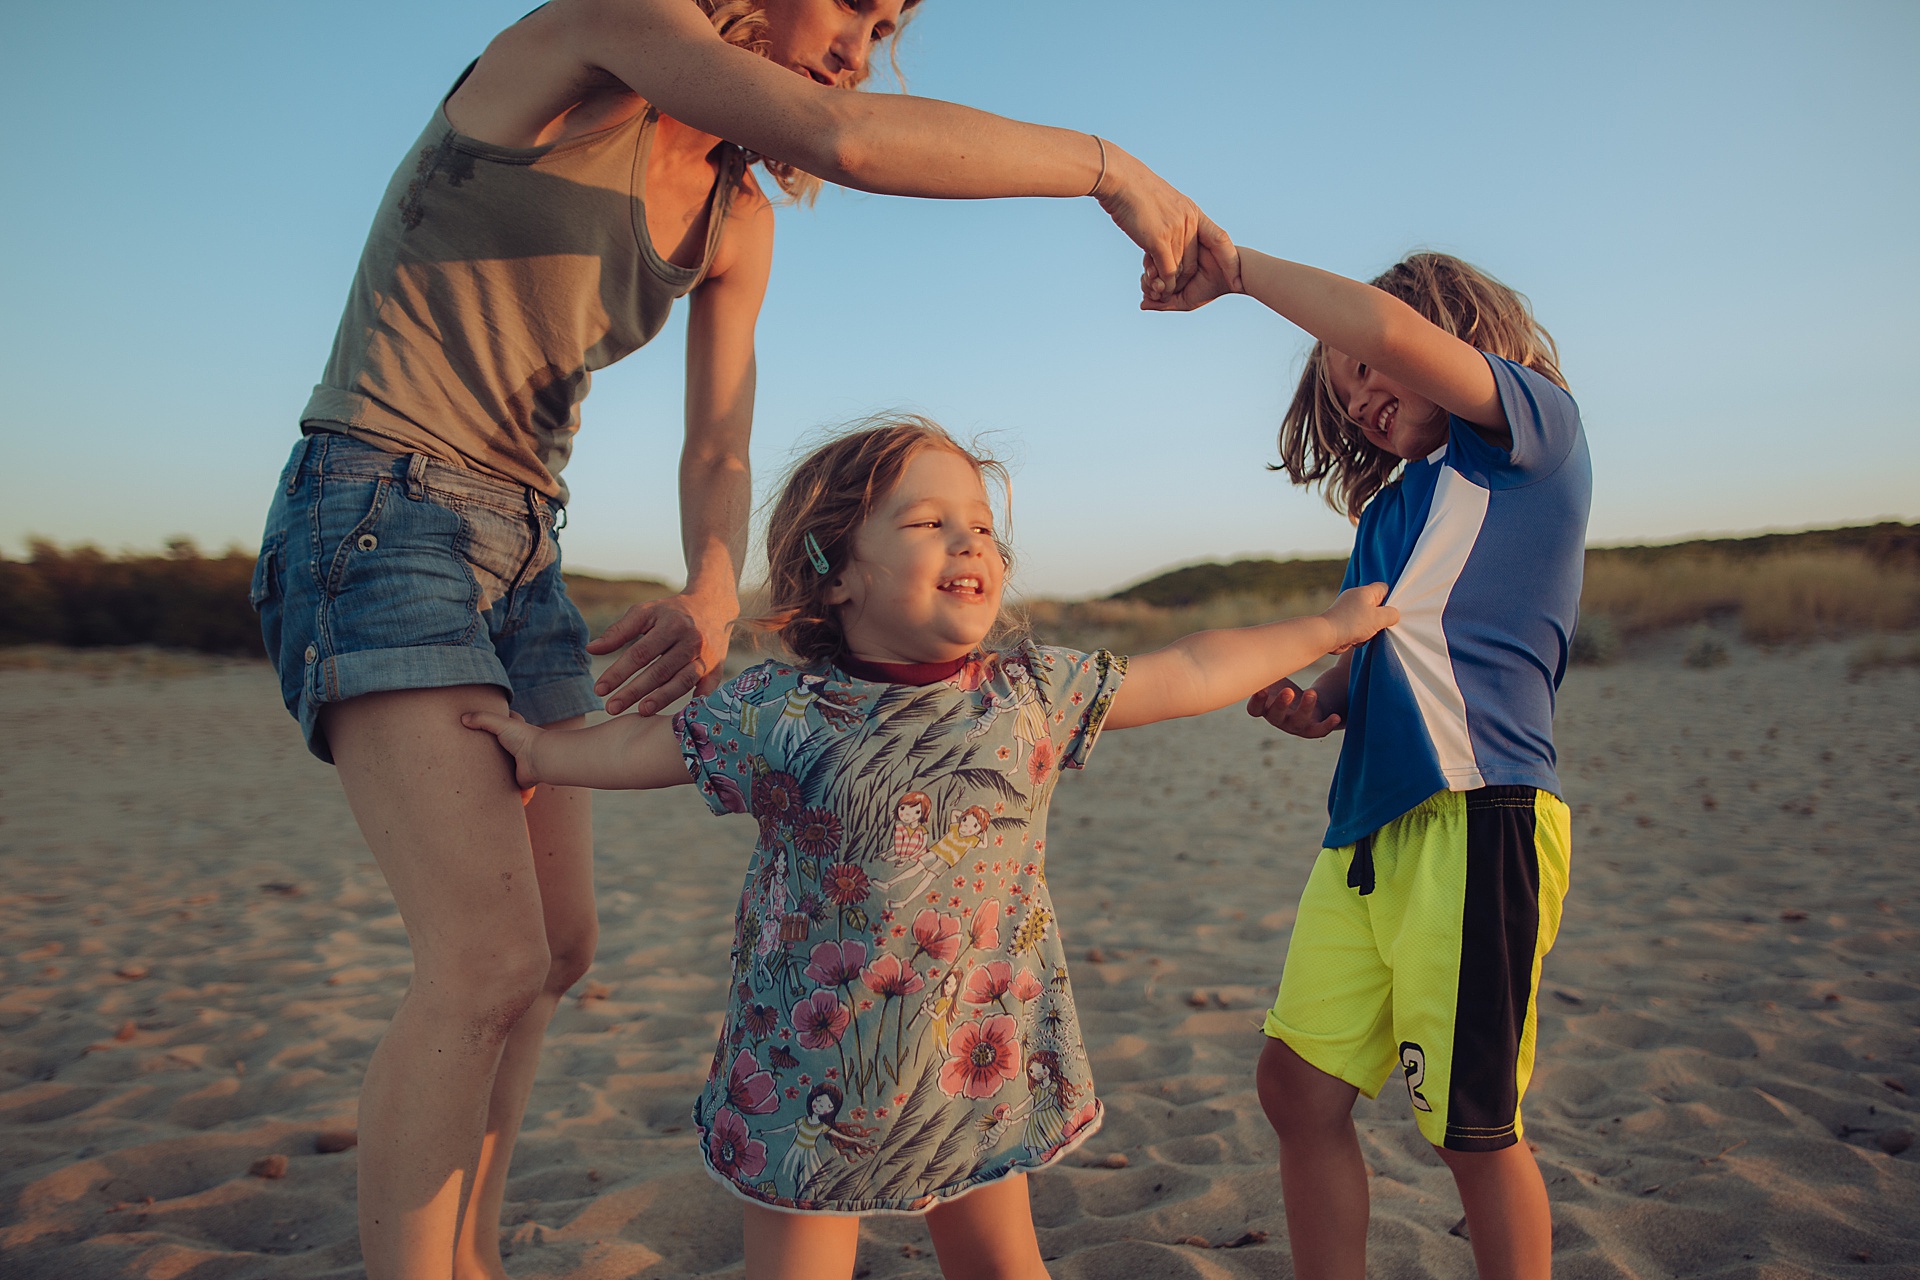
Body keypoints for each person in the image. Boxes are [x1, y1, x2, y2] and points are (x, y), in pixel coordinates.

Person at [249, 3, 1229, 1275]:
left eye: (888, 29)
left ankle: (472, 1253)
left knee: (557, 949)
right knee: (482, 960)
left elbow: (716, 445)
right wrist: (1113, 168)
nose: (862, 49)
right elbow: (846, 134)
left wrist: (713, 587)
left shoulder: (736, 218)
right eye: (854, 9)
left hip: (522, 539)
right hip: (378, 507)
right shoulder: (595, 39)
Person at [463, 415, 1397, 1279]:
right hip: (808, 1074)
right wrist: (545, 749)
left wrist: (1326, 629)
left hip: (975, 1060)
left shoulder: (1029, 693)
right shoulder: (781, 711)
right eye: (929, 522)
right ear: (838, 573)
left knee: (1000, 1265)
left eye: (983, 527)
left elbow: (1190, 667)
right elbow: (645, 745)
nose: (971, 543)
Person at [1146, 248, 1590, 1280]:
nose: (1362, 394)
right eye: (1342, 386)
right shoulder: (1390, 512)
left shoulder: (1533, 441)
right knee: (1294, 1088)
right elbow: (1382, 640)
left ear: (1453, 338)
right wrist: (1321, 703)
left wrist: (1242, 271)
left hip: (1479, 819)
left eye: (1370, 367)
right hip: (1363, 835)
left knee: (1471, 1125)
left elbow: (1390, 333)